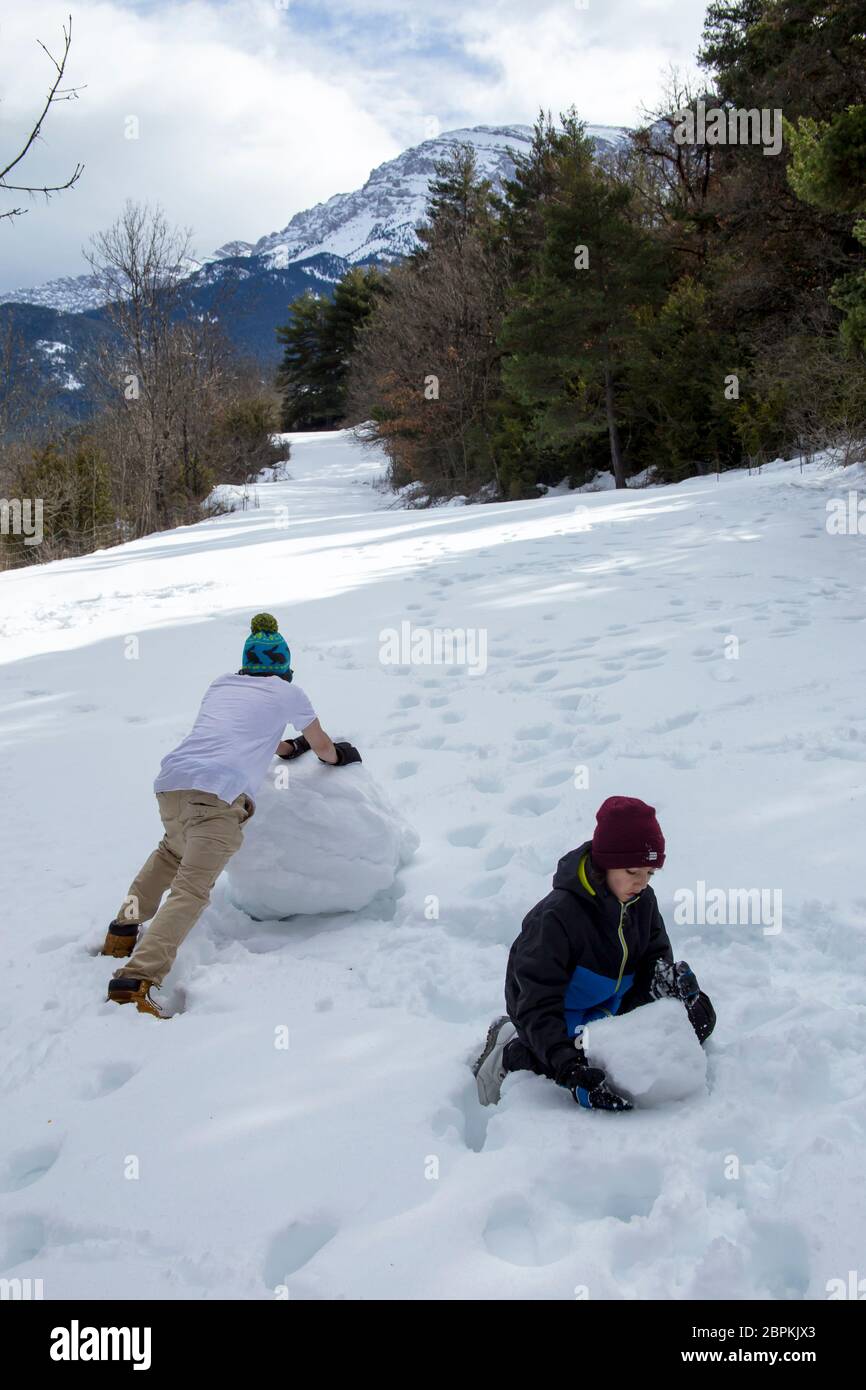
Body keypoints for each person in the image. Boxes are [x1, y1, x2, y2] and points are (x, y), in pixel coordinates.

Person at [102, 613, 360, 1017]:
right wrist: (340, 755)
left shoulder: (222, 684)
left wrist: (288, 748)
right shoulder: (288, 692)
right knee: (190, 890)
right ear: (284, 666)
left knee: (169, 855)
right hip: (217, 797)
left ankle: (121, 932)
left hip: (172, 783)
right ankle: (135, 980)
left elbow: (247, 735)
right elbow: (324, 747)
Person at [473, 795, 715, 1110]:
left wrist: (670, 988)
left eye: (649, 873)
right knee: (578, 1061)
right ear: (606, 863)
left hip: (611, 1006)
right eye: (632, 871)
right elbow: (536, 1005)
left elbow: (655, 962)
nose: (642, 883)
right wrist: (569, 1069)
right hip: (557, 1013)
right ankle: (510, 1052)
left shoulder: (643, 902)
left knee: (700, 1020)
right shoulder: (556, 918)